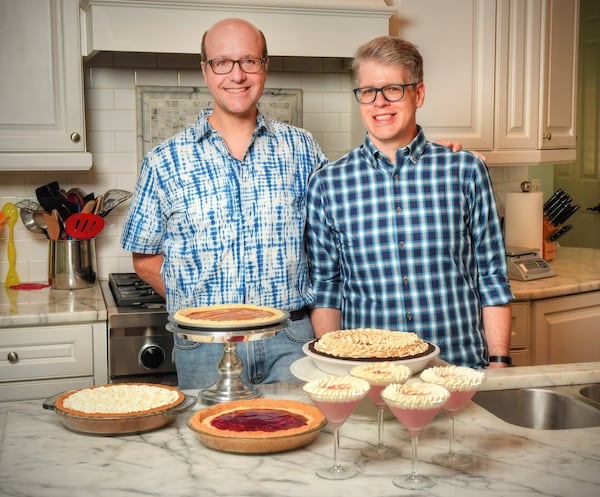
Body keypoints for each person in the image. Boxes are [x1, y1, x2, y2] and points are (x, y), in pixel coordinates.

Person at [120, 18, 330, 389]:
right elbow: (145, 258)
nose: (237, 74)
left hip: (292, 341)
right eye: (223, 62)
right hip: (205, 346)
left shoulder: (302, 149)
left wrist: (424, 158)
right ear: (205, 70)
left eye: (249, 61)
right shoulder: (164, 160)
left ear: (265, 67)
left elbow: (339, 230)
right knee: (207, 446)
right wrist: (205, 311)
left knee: (301, 442)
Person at [305, 36, 514, 369]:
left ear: (419, 94)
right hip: (369, 372)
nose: (380, 103)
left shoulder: (465, 170)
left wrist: (499, 360)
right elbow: (328, 288)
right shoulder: (328, 184)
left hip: (458, 366)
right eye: (368, 91)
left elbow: (492, 277)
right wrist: (332, 365)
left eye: (393, 89)